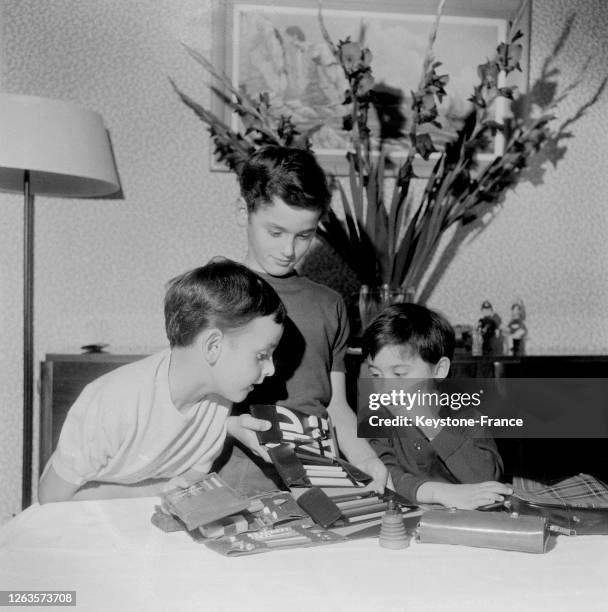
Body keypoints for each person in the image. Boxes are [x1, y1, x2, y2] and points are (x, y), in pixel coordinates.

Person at [38, 259, 286, 503]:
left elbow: (191, 478)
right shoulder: (115, 402)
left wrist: (229, 427)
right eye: (262, 355)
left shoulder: (219, 403)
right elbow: (51, 498)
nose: (271, 369)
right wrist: (153, 492)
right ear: (213, 346)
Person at [217, 144, 388, 494]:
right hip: (237, 489)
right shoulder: (213, 290)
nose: (288, 250)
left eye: (304, 235)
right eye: (275, 232)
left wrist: (367, 460)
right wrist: (230, 426)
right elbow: (183, 404)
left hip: (321, 486)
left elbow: (335, 405)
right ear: (242, 212)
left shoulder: (330, 304)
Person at [362, 303, 512, 509]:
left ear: (439, 369)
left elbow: (486, 477)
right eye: (376, 375)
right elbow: (384, 477)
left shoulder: (468, 416)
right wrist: (440, 492)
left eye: (399, 374)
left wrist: (432, 427)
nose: (386, 387)